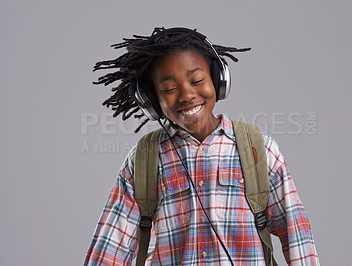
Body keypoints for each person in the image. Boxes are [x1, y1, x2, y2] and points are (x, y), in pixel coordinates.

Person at [84, 27, 319, 265]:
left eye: (197, 80)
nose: (186, 94)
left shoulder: (259, 149)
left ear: (218, 80)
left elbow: (297, 236)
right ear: (151, 101)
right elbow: (109, 250)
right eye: (169, 89)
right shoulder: (144, 159)